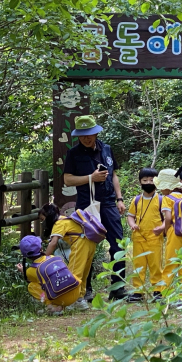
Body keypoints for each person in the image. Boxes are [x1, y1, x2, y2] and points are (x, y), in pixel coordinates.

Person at [62, 115, 126, 302]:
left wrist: (120, 198)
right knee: (85, 247)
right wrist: (91, 177)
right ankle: (85, 289)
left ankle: (118, 288)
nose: (86, 138)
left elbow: (113, 175)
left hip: (108, 203)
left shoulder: (106, 149)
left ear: (96, 132)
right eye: (82, 135)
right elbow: (68, 179)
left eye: (89, 134)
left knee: (117, 244)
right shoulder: (73, 154)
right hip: (86, 205)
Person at [39, 203, 96, 311]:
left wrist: (44, 259)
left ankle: (71, 301)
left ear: (48, 216)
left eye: (43, 219)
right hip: (90, 242)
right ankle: (80, 299)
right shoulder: (66, 219)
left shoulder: (59, 223)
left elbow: (53, 243)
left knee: (73, 274)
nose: (43, 222)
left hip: (80, 244)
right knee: (83, 273)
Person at [16, 235, 81, 316]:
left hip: (62, 299)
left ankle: (52, 306)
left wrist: (23, 271)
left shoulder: (31, 271)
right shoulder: (54, 257)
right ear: (41, 248)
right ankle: (70, 303)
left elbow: (30, 279)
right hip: (76, 291)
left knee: (31, 286)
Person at [127, 168, 166, 300]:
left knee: (156, 265)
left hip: (155, 238)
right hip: (138, 238)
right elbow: (130, 216)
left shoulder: (162, 200)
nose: (148, 182)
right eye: (145, 180)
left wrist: (161, 227)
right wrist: (132, 224)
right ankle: (138, 291)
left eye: (151, 180)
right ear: (140, 182)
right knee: (139, 265)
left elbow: (168, 218)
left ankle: (158, 290)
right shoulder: (136, 200)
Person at [155, 169, 182, 288]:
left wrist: (165, 230)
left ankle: (162, 291)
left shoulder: (167, 198)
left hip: (174, 233)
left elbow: (168, 217)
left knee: (170, 262)